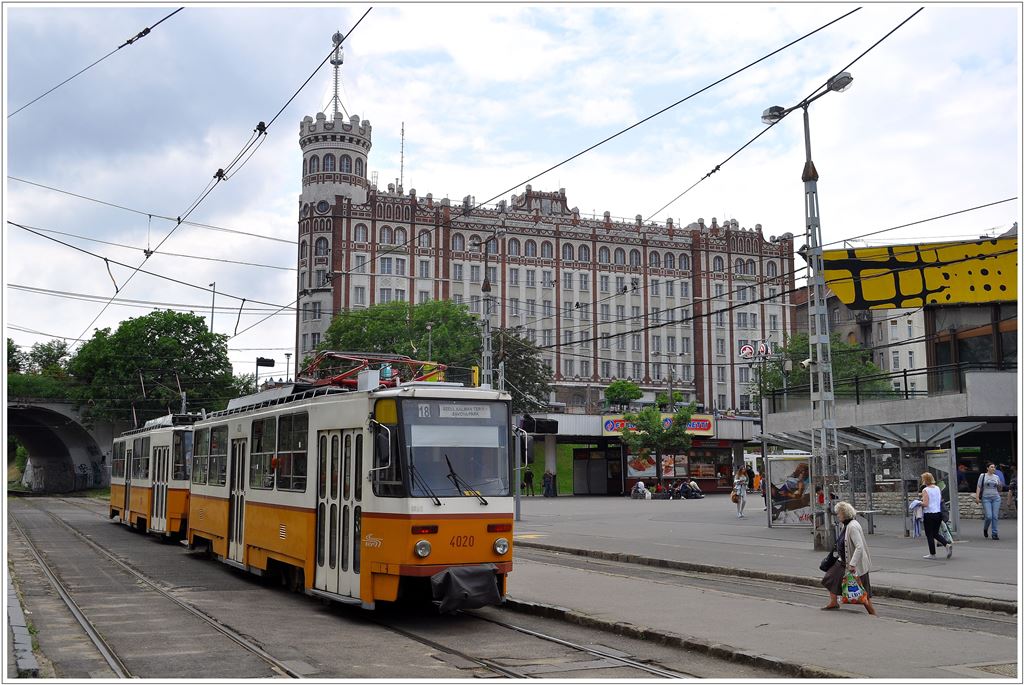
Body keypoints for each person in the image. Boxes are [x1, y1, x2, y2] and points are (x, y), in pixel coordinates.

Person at [821, 501, 877, 616]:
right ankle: (833, 602)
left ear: (845, 514)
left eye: (839, 513)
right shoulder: (846, 525)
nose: (837, 515)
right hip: (842, 561)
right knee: (830, 577)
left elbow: (859, 547)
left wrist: (853, 564)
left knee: (862, 592)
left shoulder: (852, 526)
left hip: (855, 565)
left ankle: (873, 614)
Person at [920, 472, 951, 559]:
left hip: (929, 514)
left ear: (925, 480)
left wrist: (918, 503)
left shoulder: (925, 490)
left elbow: (925, 504)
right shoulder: (937, 488)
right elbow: (939, 500)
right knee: (935, 533)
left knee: (929, 534)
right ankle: (947, 544)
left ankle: (932, 554)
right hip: (938, 513)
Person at [975, 462, 1004, 540]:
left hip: (996, 498)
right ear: (987, 468)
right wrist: (977, 497)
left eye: (994, 467)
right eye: (991, 467)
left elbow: (1000, 489)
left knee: (995, 516)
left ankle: (994, 533)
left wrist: (1000, 485)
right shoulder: (983, 476)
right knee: (989, 516)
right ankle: (985, 528)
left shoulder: (996, 477)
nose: (993, 468)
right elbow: (979, 486)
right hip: (986, 498)